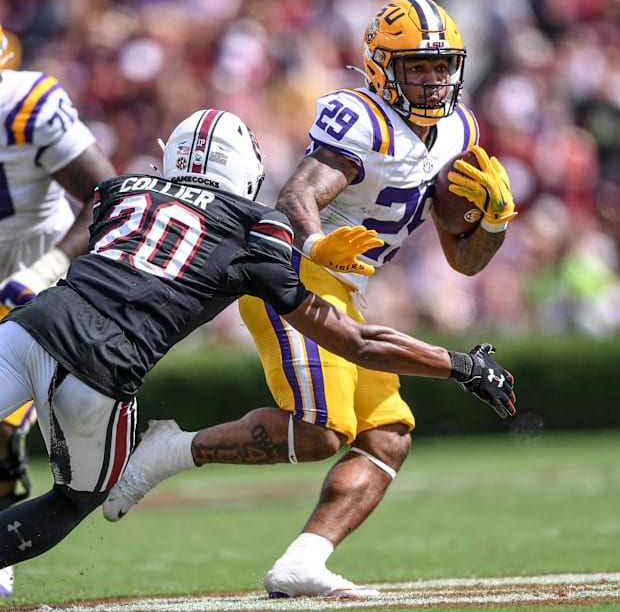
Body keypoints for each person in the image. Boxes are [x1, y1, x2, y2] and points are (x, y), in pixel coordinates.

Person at [104, 0, 519, 599]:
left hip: (348, 286)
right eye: (417, 68)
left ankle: (303, 561)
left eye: (440, 66)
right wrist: (319, 244)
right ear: (381, 67)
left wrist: (494, 225)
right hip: (295, 273)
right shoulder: (364, 119)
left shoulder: (460, 129)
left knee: (387, 435)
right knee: (323, 429)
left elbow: (465, 261)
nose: (433, 81)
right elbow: (297, 195)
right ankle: (168, 450)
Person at [0, 107, 515, 587]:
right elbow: (355, 341)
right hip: (99, 369)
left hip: (27, 327)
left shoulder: (119, 192)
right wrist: (460, 364)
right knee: (74, 500)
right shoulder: (255, 230)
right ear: (247, 170)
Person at [0, 24, 116, 595]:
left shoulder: (25, 107)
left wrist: (46, 268)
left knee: (1, 429)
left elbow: (108, 193)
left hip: (31, 278)